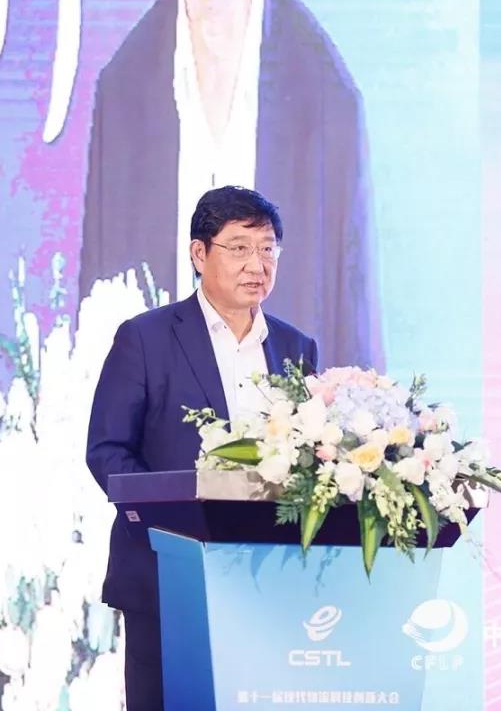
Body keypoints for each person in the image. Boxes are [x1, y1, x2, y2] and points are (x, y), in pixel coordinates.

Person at [86, 186, 317, 710]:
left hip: (270, 580)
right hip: (168, 572)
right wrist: (174, 518)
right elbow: (108, 450)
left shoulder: (296, 347)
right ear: (199, 253)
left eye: (268, 249)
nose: (257, 264)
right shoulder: (145, 338)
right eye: (239, 248)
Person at [77, 0, 381, 371]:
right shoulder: (124, 86)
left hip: (282, 398)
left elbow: (349, 316)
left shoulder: (324, 94)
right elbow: (98, 318)